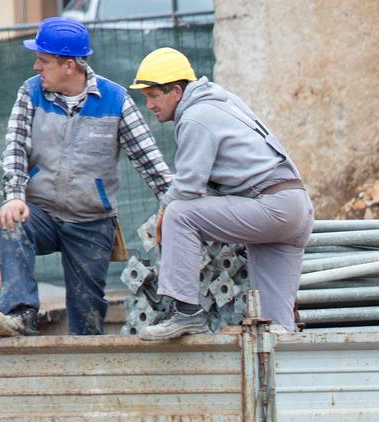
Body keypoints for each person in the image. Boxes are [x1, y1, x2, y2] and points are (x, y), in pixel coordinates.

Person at [0, 17, 174, 338]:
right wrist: (14, 195)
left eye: (43, 60)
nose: (36, 66)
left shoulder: (116, 100)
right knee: (12, 221)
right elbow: (14, 146)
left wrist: (176, 206)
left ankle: (89, 376)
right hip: (39, 212)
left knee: (86, 317)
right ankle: (19, 313)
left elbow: (150, 162)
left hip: (91, 221)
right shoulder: (30, 93)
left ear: (69, 65)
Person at [130, 48, 314, 340]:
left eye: (153, 95)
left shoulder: (195, 117)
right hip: (294, 207)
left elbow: (188, 187)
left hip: (271, 206)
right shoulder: (221, 100)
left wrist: (165, 210)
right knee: (278, 330)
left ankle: (187, 314)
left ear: (176, 91)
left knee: (180, 213)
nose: (149, 104)